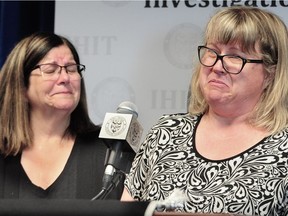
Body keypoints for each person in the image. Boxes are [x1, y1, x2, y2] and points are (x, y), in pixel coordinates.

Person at [121, 6, 288, 216]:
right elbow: (126, 210)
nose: (217, 66)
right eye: (213, 52)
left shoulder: (284, 149)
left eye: (235, 57)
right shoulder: (166, 132)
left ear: (270, 74)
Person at [0, 32, 123, 199]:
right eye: (50, 70)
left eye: (72, 69)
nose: (65, 78)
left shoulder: (113, 153)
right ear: (20, 86)